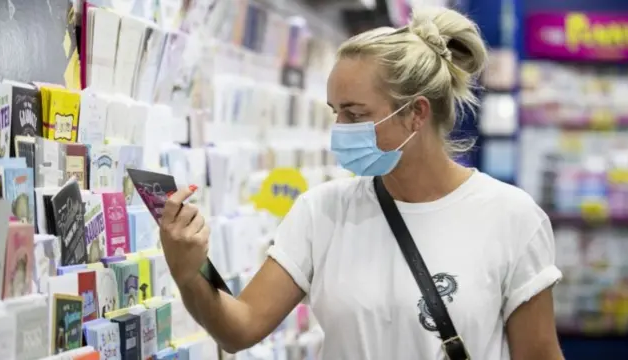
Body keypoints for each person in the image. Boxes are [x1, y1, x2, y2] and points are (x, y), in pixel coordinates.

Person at [159, 7, 564, 360]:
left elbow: (539, 354)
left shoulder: (510, 217)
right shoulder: (323, 212)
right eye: (336, 112)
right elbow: (240, 328)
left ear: (416, 114)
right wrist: (189, 269)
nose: (339, 130)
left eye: (354, 114)